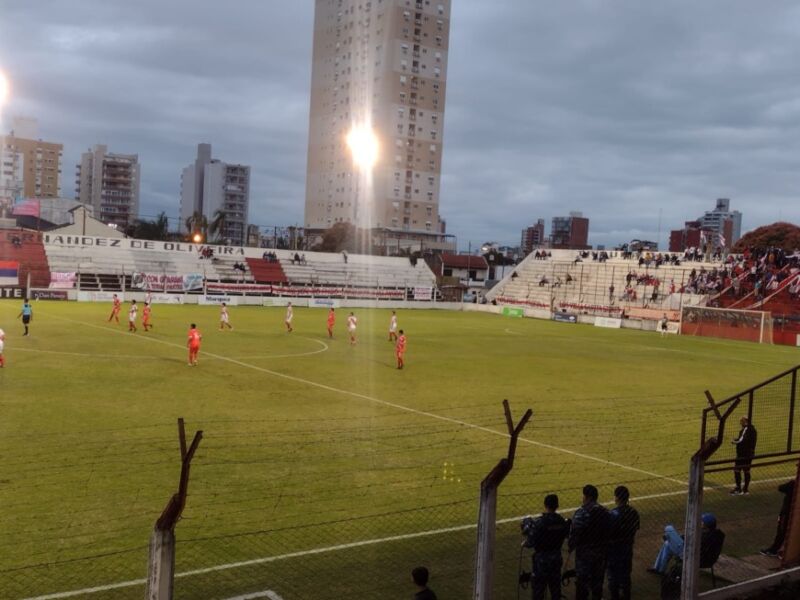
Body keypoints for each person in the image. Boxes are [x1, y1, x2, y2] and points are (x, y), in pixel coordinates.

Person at [522, 493, 570, 600]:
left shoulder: (540, 522)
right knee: (555, 588)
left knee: (538, 590)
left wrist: (525, 542)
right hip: (556, 558)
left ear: (545, 505)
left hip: (541, 560)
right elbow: (567, 534)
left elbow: (530, 542)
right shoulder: (561, 521)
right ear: (557, 505)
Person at [568, 484, 610, 600]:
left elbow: (574, 533)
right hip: (601, 553)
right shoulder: (605, 512)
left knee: (582, 583)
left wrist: (571, 546)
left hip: (585, 554)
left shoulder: (581, 513)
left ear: (587, 497)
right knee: (597, 582)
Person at [649, 513, 724, 575]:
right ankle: (659, 569)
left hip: (691, 557)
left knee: (669, 528)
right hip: (697, 555)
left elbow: (692, 544)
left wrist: (679, 539)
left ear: (706, 525)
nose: (700, 522)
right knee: (667, 544)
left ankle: (659, 569)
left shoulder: (705, 536)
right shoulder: (713, 534)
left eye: (702, 522)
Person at [607, 486, 640, 600]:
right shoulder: (633, 512)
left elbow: (608, 533)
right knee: (626, 575)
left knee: (613, 578)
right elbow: (635, 529)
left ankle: (615, 596)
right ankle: (626, 596)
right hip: (627, 549)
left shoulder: (612, 514)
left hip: (614, 551)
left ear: (616, 498)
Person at [761, 480, 795, 557]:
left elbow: (780, 488)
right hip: (793, 511)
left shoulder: (793, 484)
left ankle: (774, 550)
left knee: (781, 530)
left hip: (786, 511)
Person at [731, 417, 757, 495]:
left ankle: (738, 488)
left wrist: (735, 442)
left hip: (743, 454)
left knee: (737, 470)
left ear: (745, 421)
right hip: (750, 453)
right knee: (746, 470)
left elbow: (742, 440)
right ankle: (745, 489)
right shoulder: (753, 430)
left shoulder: (747, 429)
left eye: (741, 421)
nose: (740, 423)